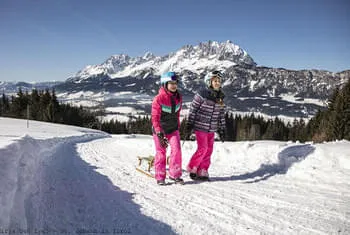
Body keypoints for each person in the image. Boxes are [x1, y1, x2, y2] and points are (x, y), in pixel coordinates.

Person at [186, 70, 226, 181]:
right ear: (209, 82)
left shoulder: (220, 97)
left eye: (219, 81)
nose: (217, 83)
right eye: (215, 81)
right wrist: (190, 123)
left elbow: (221, 114)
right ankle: (193, 167)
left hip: (212, 128)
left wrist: (222, 129)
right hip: (200, 126)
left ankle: (203, 170)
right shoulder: (202, 94)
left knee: (209, 150)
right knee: (202, 148)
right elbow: (193, 109)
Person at [151, 71, 184, 185]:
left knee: (177, 150)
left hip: (173, 129)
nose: (174, 85)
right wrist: (159, 133)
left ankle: (174, 174)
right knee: (161, 152)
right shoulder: (159, 99)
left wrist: (178, 126)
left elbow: (177, 113)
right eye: (171, 83)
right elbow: (155, 118)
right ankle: (160, 176)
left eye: (175, 83)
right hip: (160, 130)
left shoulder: (179, 97)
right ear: (165, 84)